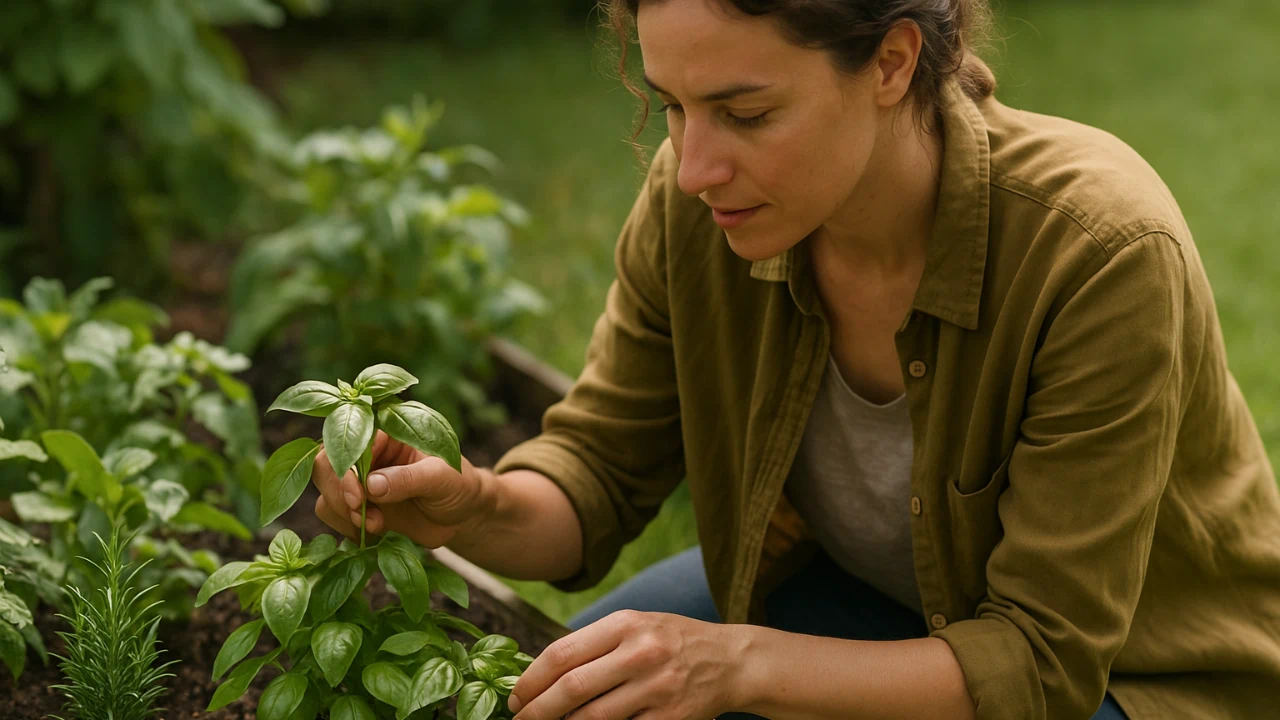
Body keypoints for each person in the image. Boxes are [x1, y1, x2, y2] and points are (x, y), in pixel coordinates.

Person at [310, 0, 1280, 718]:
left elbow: (1037, 666)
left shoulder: (1095, 253)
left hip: (1135, 684)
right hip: (860, 599)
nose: (692, 168)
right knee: (560, 697)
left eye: (744, 113)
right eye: (673, 108)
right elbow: (598, 473)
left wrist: (733, 665)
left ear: (892, 61)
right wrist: (468, 507)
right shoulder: (698, 206)